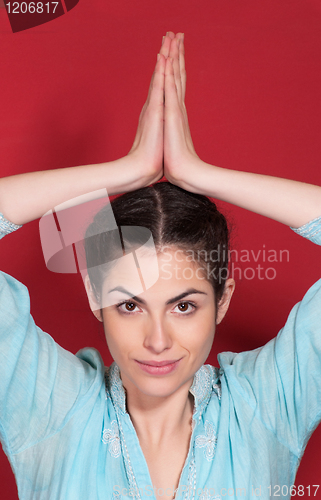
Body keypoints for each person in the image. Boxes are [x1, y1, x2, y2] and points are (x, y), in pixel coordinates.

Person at [0, 31, 321, 500]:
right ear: (94, 294)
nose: (157, 340)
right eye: (129, 305)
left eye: (184, 307)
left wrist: (201, 175)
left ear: (222, 300)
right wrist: (126, 171)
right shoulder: (49, 407)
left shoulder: (268, 406)